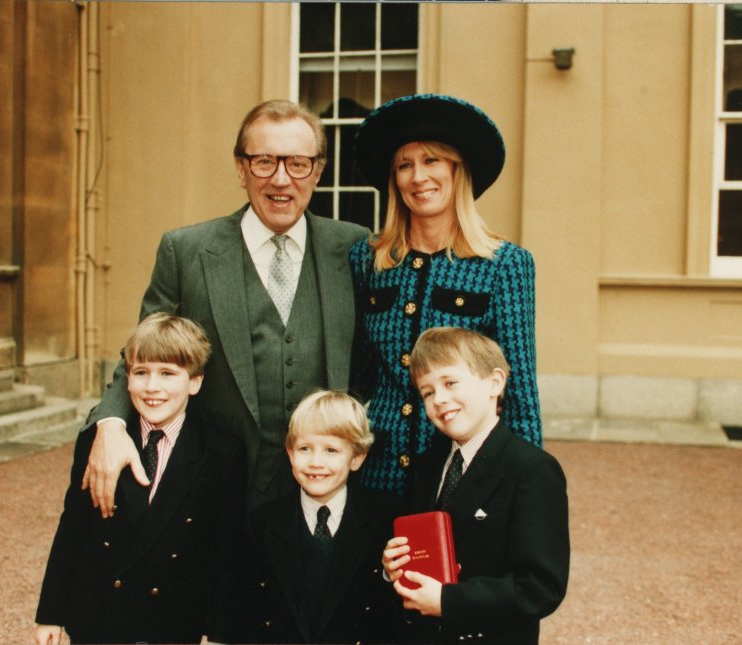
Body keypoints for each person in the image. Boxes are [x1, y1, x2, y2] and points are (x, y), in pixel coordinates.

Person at [82, 99, 368, 512]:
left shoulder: (353, 247)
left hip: (323, 490)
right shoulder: (187, 251)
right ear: (240, 169)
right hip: (217, 491)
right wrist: (108, 424)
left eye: (298, 163)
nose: (281, 179)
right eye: (264, 161)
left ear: (318, 171)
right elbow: (140, 354)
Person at [350, 93, 542, 494]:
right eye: (405, 165)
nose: (418, 177)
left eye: (431, 161)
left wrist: (525, 490)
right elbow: (359, 378)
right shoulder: (369, 261)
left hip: (456, 474)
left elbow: (518, 389)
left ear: (458, 171)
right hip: (374, 470)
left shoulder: (504, 264)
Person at [34, 313, 246, 645]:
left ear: (195, 382)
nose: (152, 387)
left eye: (167, 373)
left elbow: (227, 550)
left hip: (173, 622)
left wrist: (218, 633)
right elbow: (72, 528)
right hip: (100, 620)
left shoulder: (221, 451)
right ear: (127, 378)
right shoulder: (98, 442)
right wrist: (50, 614)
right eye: (141, 372)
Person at [382, 327, 569, 645]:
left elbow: (539, 586)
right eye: (427, 392)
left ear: (494, 383)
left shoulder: (532, 470)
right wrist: (394, 564)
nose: (439, 399)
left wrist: (448, 601)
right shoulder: (430, 462)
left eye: (450, 382)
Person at [242, 389, 401, 644]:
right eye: (305, 448)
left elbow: (390, 614)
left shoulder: (385, 518)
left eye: (331, 450)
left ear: (357, 458)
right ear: (290, 453)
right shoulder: (264, 521)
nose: (316, 462)